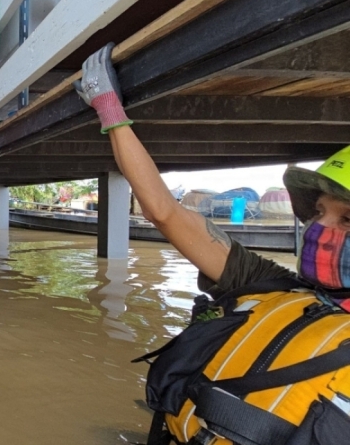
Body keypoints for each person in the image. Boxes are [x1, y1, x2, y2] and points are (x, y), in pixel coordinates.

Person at [75, 43, 350, 444]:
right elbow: (165, 212)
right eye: (319, 212)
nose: (319, 229)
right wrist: (110, 110)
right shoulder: (269, 284)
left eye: (346, 220)